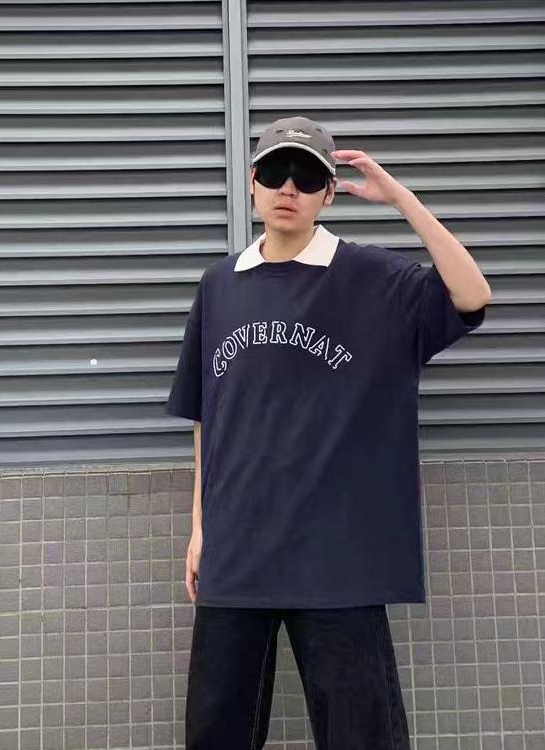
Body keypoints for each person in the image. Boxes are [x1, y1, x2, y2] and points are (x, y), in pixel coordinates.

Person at [166, 116, 491, 749]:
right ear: (253, 183)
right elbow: (210, 415)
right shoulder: (219, 285)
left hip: (337, 556)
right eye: (276, 173)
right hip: (237, 552)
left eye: (308, 177)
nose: (289, 188)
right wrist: (200, 528)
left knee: (359, 735)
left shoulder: (371, 278)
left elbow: (472, 294)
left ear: (329, 194)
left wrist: (400, 198)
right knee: (215, 731)